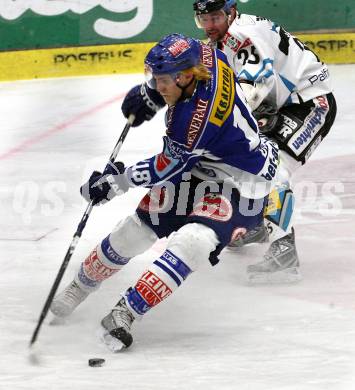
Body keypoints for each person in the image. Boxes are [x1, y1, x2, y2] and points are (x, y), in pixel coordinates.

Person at [50, 33, 280, 350]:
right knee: (136, 230)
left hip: (243, 181)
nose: (159, 86)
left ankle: (125, 312)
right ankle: (79, 287)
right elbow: (196, 51)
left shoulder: (194, 120)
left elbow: (164, 166)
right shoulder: (203, 57)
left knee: (194, 241)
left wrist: (114, 184)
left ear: (186, 76)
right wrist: (151, 94)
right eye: (155, 79)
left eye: (163, 82)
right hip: (200, 164)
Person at [121, 1, 337, 284]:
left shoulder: (244, 36)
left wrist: (211, 123)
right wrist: (153, 93)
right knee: (247, 163)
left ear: (232, 12)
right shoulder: (217, 40)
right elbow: (195, 78)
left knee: (272, 170)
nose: (210, 26)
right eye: (204, 19)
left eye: (216, 17)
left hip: (308, 103)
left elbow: (255, 88)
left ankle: (284, 251)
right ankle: (262, 223)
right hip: (278, 105)